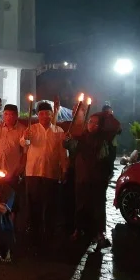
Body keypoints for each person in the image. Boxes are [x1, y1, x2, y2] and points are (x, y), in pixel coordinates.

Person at [64, 113, 119, 248]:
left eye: (96, 123)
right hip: (82, 178)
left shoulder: (103, 141)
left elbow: (104, 158)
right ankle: (78, 230)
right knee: (80, 205)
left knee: (98, 207)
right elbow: (69, 146)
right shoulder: (81, 138)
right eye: (90, 121)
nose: (92, 125)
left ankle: (99, 233)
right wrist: (66, 141)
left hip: (97, 179)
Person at [20, 102, 68, 241]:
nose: (45, 116)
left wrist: (64, 169)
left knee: (49, 202)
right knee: (33, 202)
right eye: (41, 113)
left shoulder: (58, 131)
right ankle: (33, 228)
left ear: (52, 114)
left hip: (50, 172)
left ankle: (48, 230)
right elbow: (24, 144)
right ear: (37, 115)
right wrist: (25, 137)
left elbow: (62, 153)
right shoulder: (32, 129)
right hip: (33, 172)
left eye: (47, 113)